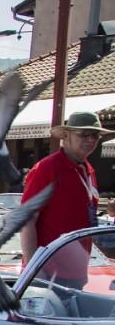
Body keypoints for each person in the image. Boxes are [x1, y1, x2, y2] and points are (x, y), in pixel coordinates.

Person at [19, 111, 114, 283]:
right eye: (84, 134)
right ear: (66, 135)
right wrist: (34, 269)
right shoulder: (47, 168)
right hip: (46, 273)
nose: (91, 140)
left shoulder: (88, 170)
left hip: (76, 273)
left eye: (95, 135)